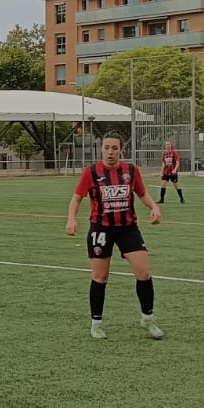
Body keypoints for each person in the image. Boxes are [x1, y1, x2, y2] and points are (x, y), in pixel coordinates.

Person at [66, 134, 163, 341]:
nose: (110, 152)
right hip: (101, 229)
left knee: (144, 272)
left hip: (128, 228)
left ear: (121, 150)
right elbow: (76, 198)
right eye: (107, 147)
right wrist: (71, 219)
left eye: (114, 148)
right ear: (101, 149)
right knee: (100, 277)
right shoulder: (91, 172)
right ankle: (96, 324)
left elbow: (142, 193)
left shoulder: (130, 171)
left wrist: (154, 207)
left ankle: (148, 318)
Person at [158, 139, 184, 204]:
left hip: (172, 172)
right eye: (166, 144)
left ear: (171, 145)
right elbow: (163, 164)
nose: (167, 146)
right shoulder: (164, 154)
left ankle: (182, 198)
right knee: (163, 185)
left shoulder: (174, 153)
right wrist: (161, 172)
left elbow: (177, 162)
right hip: (166, 172)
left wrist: (175, 169)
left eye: (169, 144)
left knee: (176, 185)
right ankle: (162, 199)